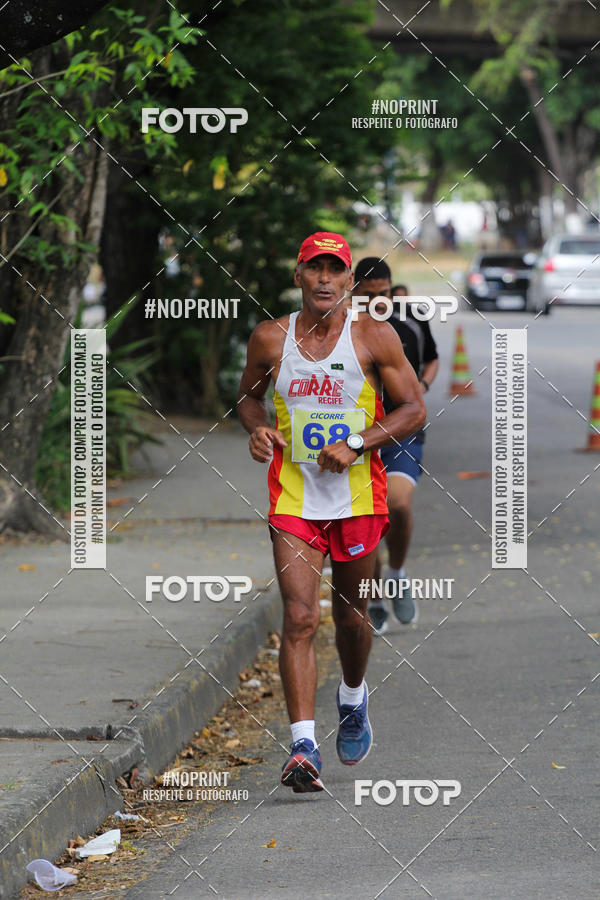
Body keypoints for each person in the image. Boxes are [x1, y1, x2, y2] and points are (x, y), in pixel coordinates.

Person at [238, 233, 426, 792]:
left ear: (348, 280)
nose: (324, 279)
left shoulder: (373, 335)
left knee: (350, 618)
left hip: (357, 499)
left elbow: (413, 408)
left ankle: (352, 696)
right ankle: (302, 745)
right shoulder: (270, 338)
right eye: (314, 268)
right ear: (297, 275)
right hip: (293, 499)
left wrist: (358, 443)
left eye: (334, 270)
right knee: (299, 616)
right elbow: (248, 397)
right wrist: (258, 429)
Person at [352, 259, 439, 634]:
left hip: (401, 431)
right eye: (367, 295)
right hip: (355, 438)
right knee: (367, 520)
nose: (377, 302)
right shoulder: (340, 327)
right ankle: (373, 597)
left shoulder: (411, 318)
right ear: (353, 292)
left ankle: (397, 573)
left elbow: (432, 359)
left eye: (383, 294)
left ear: (392, 289)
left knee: (398, 504)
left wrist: (422, 386)